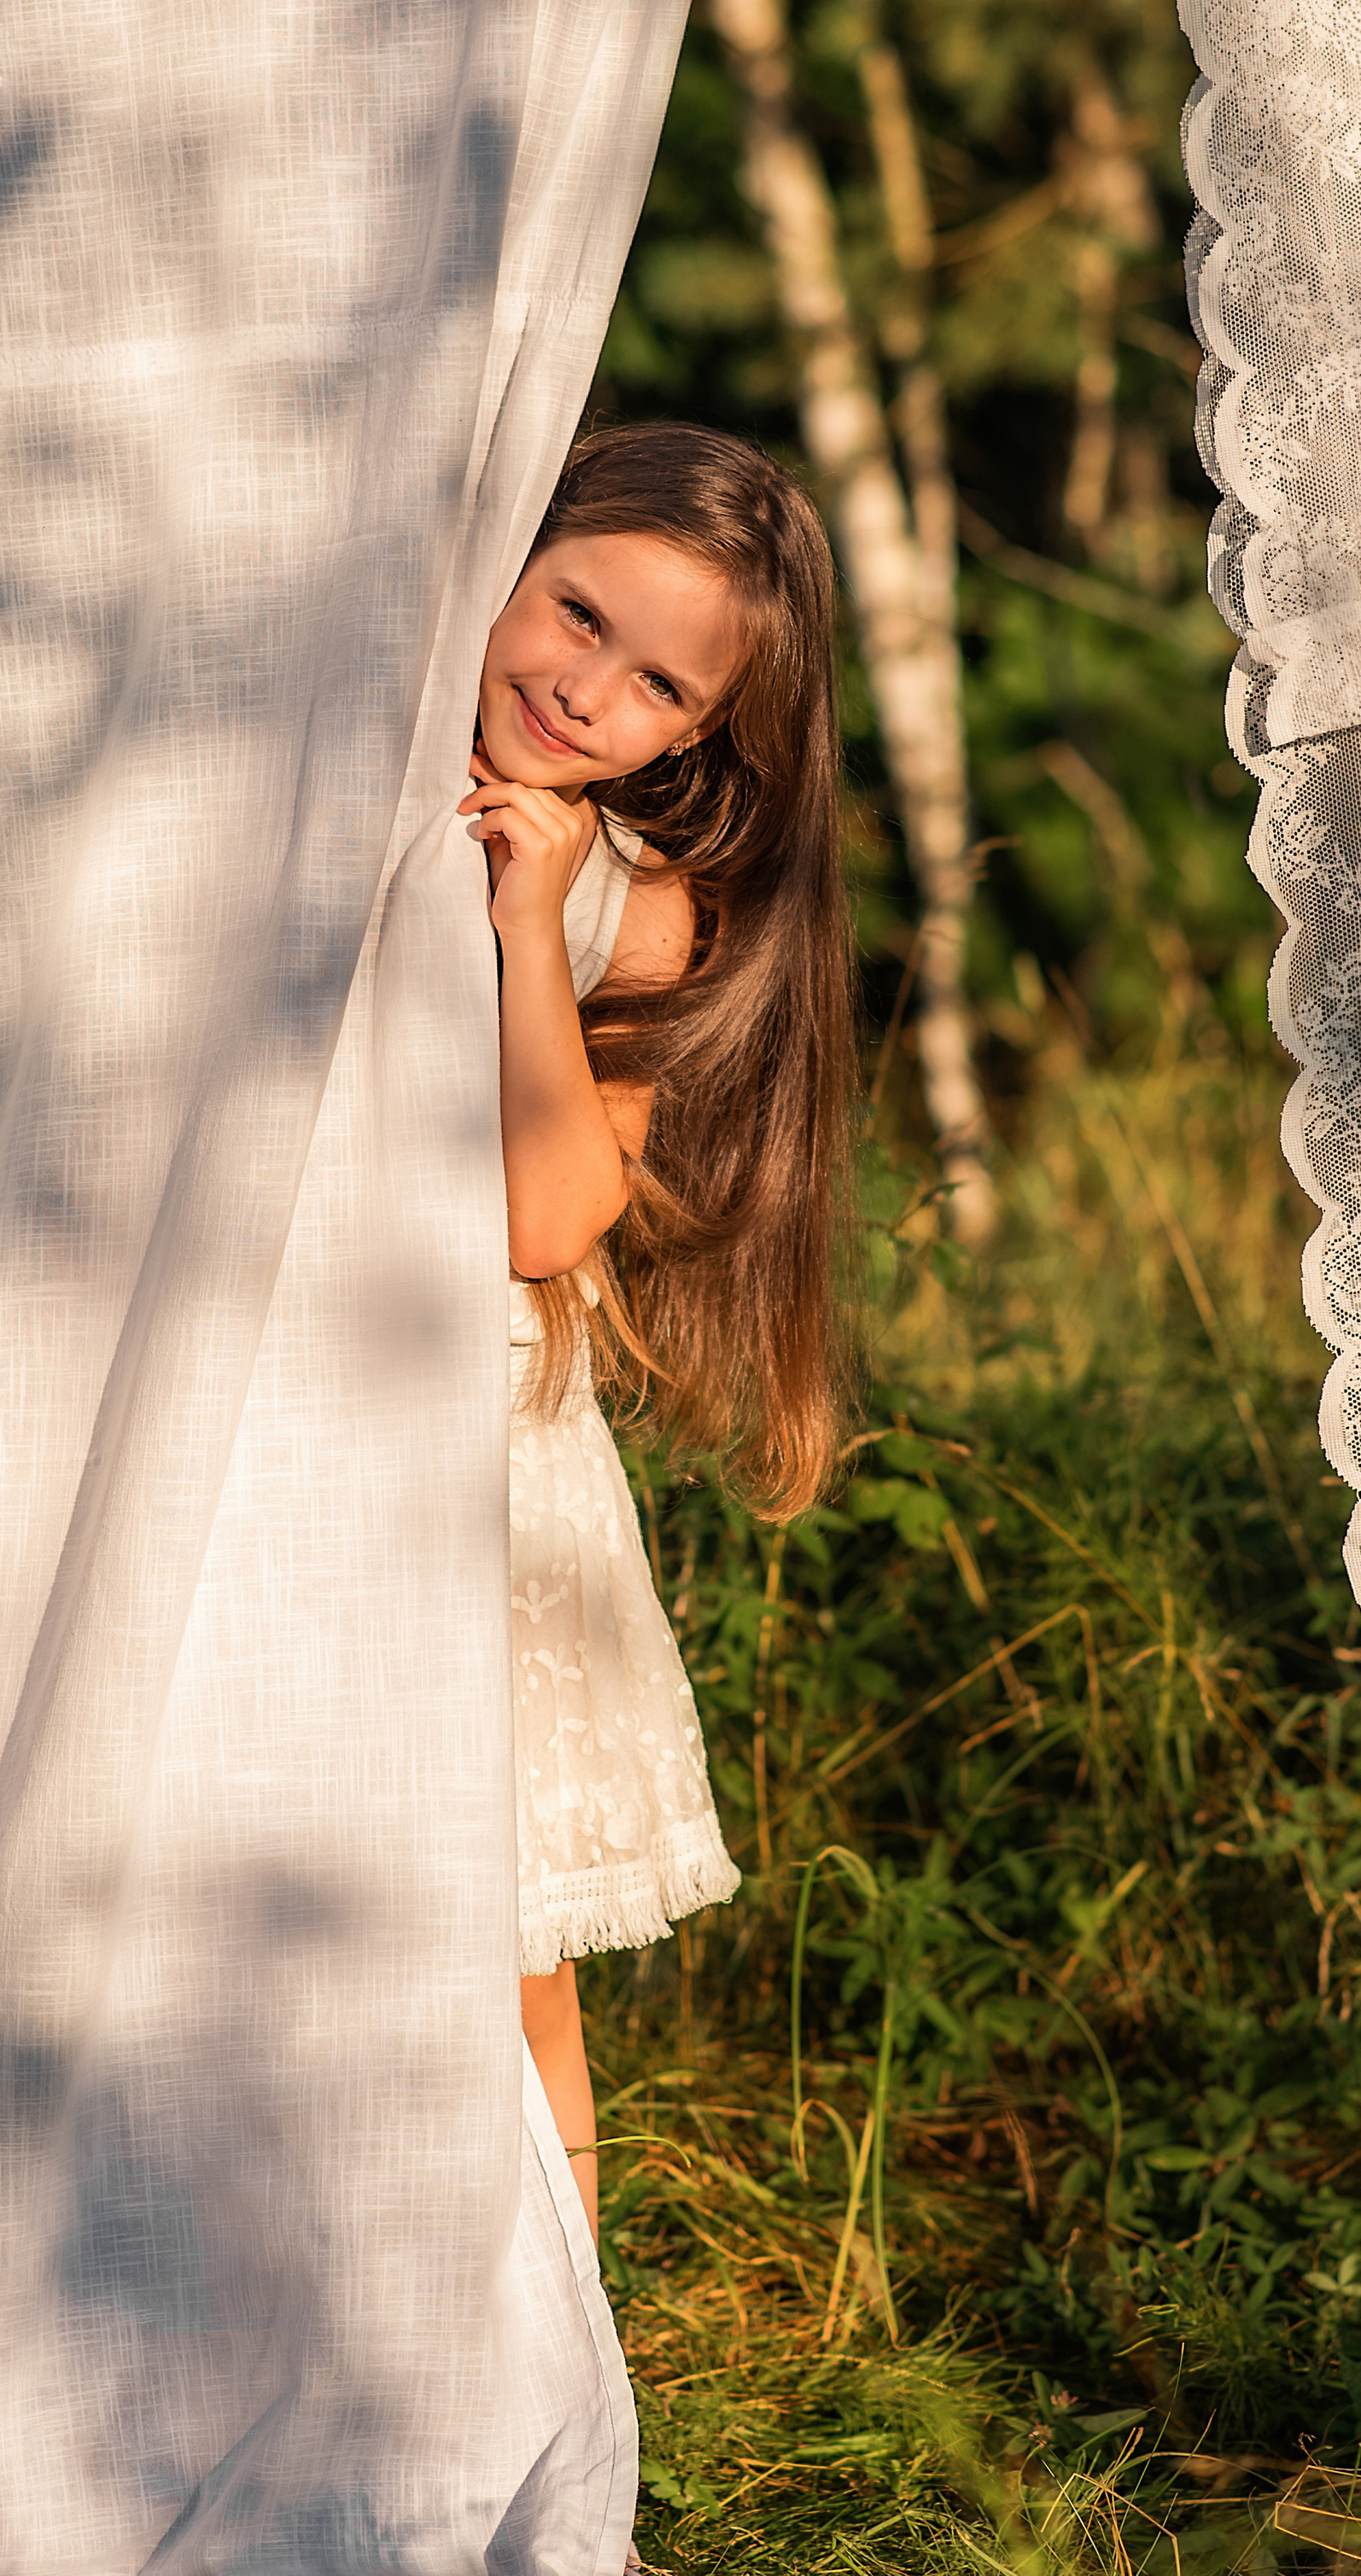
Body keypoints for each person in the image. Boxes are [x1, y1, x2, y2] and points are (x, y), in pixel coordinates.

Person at [459, 420, 855, 2242]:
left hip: (472, 1469)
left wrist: (528, 912)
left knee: (498, 1951)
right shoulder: (311, 749)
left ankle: (554, 2409)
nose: (583, 683)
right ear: (506, 551)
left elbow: (545, 1216)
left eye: (654, 681)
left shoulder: (634, 907)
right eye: (573, 609)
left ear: (700, 730)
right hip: (256, 1401)